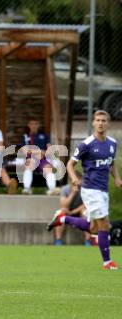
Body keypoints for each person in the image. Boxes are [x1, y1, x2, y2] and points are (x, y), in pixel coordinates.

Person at [47, 110, 121, 270]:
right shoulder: (86, 144)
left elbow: (111, 163)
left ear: (108, 123)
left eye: (103, 120)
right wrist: (74, 178)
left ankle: (63, 219)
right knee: (104, 225)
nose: (100, 123)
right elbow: (70, 165)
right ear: (93, 123)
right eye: (98, 120)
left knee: (94, 227)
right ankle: (107, 262)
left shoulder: (112, 144)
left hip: (103, 190)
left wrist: (117, 178)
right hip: (90, 189)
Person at [50, 171, 91, 246]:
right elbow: (63, 205)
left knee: (86, 212)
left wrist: (73, 212)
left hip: (79, 212)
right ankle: (58, 240)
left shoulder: (85, 189)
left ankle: (88, 240)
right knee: (60, 212)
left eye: (80, 179)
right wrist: (72, 194)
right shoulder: (65, 189)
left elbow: (87, 204)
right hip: (68, 211)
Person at [21, 119, 59, 195]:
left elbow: (49, 149)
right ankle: (27, 189)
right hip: (31, 159)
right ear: (28, 125)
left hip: (43, 159)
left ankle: (52, 189)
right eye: (32, 124)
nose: (34, 126)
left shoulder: (44, 135)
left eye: (36, 124)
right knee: (29, 165)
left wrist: (42, 152)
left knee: (48, 168)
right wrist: (39, 151)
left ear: (38, 125)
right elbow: (25, 150)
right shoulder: (25, 136)